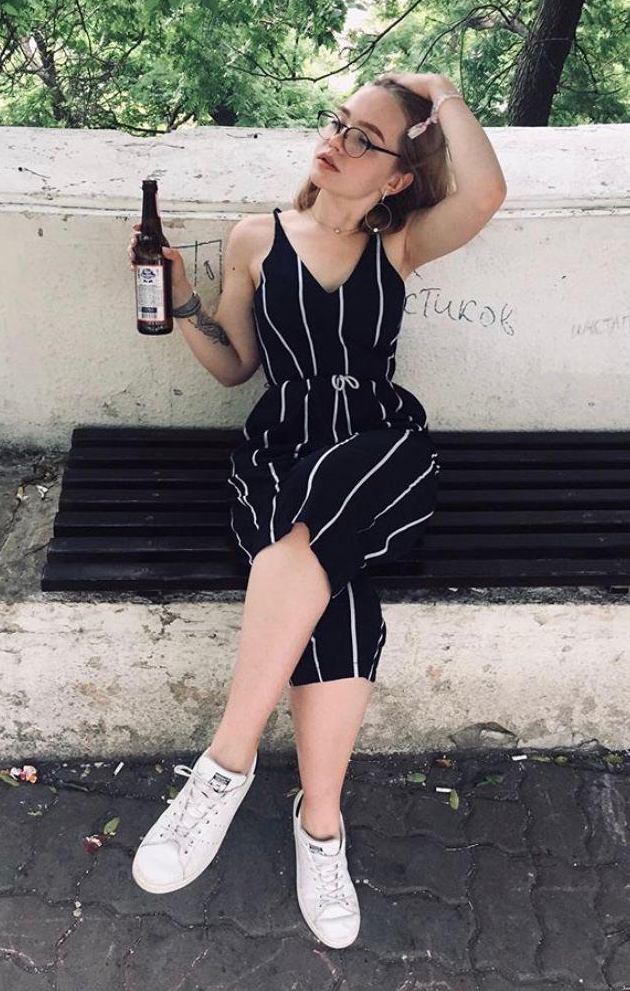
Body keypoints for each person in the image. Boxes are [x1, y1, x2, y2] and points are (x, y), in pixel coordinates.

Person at [127, 71, 507, 949]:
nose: (337, 141)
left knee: (305, 536)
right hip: (281, 447)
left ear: (398, 176)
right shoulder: (256, 237)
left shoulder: (400, 242)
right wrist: (183, 302)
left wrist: (440, 90)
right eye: (338, 123)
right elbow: (236, 366)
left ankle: (223, 767)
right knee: (334, 590)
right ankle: (320, 826)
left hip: (379, 447)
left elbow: (483, 192)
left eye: (365, 139)